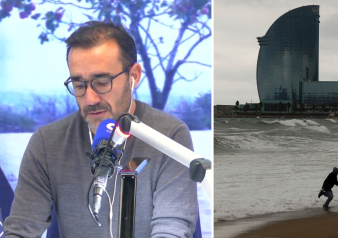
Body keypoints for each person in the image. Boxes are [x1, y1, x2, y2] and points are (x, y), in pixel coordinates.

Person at [4, 21, 198, 237]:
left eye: (102, 81)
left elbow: (171, 228)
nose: (90, 99)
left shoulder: (169, 136)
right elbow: (20, 229)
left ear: (133, 76)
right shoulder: (47, 143)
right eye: (79, 85)